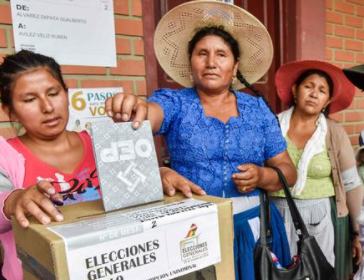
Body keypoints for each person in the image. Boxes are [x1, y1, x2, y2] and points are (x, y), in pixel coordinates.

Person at [105, 1, 297, 279]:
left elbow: (288, 172)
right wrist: (135, 107)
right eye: (202, 53)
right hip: (189, 231)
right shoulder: (175, 102)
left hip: (253, 228)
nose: (211, 62)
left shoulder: (258, 110)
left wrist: (262, 176)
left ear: (235, 65)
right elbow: (151, 114)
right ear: (190, 61)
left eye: (221, 54)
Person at [0, 50, 197, 280]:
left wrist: (157, 176)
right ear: (9, 109)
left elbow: (133, 197)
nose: (47, 107)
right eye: (30, 99)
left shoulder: (100, 143)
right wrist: (13, 201)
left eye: (53, 93)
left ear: (66, 93)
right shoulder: (5, 154)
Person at [270, 60, 363, 280]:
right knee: (276, 272)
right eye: (308, 86)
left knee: (317, 273)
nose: (314, 94)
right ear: (295, 90)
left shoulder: (333, 132)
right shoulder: (273, 125)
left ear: (327, 100)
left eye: (322, 91)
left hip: (319, 217)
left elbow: (351, 183)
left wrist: (354, 232)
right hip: (276, 213)